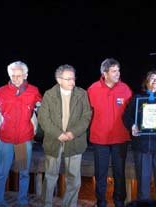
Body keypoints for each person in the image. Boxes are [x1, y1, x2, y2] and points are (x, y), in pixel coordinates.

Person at [0, 61, 42, 207]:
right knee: (1, 173)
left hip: (24, 140)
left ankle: (22, 202)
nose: (16, 79)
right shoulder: (0, 92)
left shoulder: (33, 91)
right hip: (6, 140)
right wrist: (0, 126)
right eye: (13, 76)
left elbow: (41, 109)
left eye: (19, 76)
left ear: (26, 75)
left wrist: (35, 124)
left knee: (24, 173)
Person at [38, 64, 92, 207]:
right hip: (53, 141)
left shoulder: (82, 94)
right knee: (50, 177)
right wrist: (58, 134)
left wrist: (72, 133)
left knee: (74, 178)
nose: (73, 82)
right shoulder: (49, 94)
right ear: (59, 79)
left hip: (75, 142)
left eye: (73, 79)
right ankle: (46, 204)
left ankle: (70, 205)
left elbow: (86, 116)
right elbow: (43, 118)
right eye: (68, 79)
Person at [123, 70, 156, 207]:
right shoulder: (137, 99)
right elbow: (126, 116)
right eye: (152, 79)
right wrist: (132, 125)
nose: (155, 81)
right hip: (142, 147)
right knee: (143, 182)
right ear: (146, 82)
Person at [87, 58, 133, 207]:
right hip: (100, 139)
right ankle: (101, 201)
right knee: (100, 173)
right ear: (105, 73)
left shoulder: (125, 89)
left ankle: (119, 201)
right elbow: (87, 113)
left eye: (118, 70)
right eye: (114, 71)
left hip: (120, 138)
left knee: (119, 172)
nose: (118, 73)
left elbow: (132, 112)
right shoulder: (93, 89)